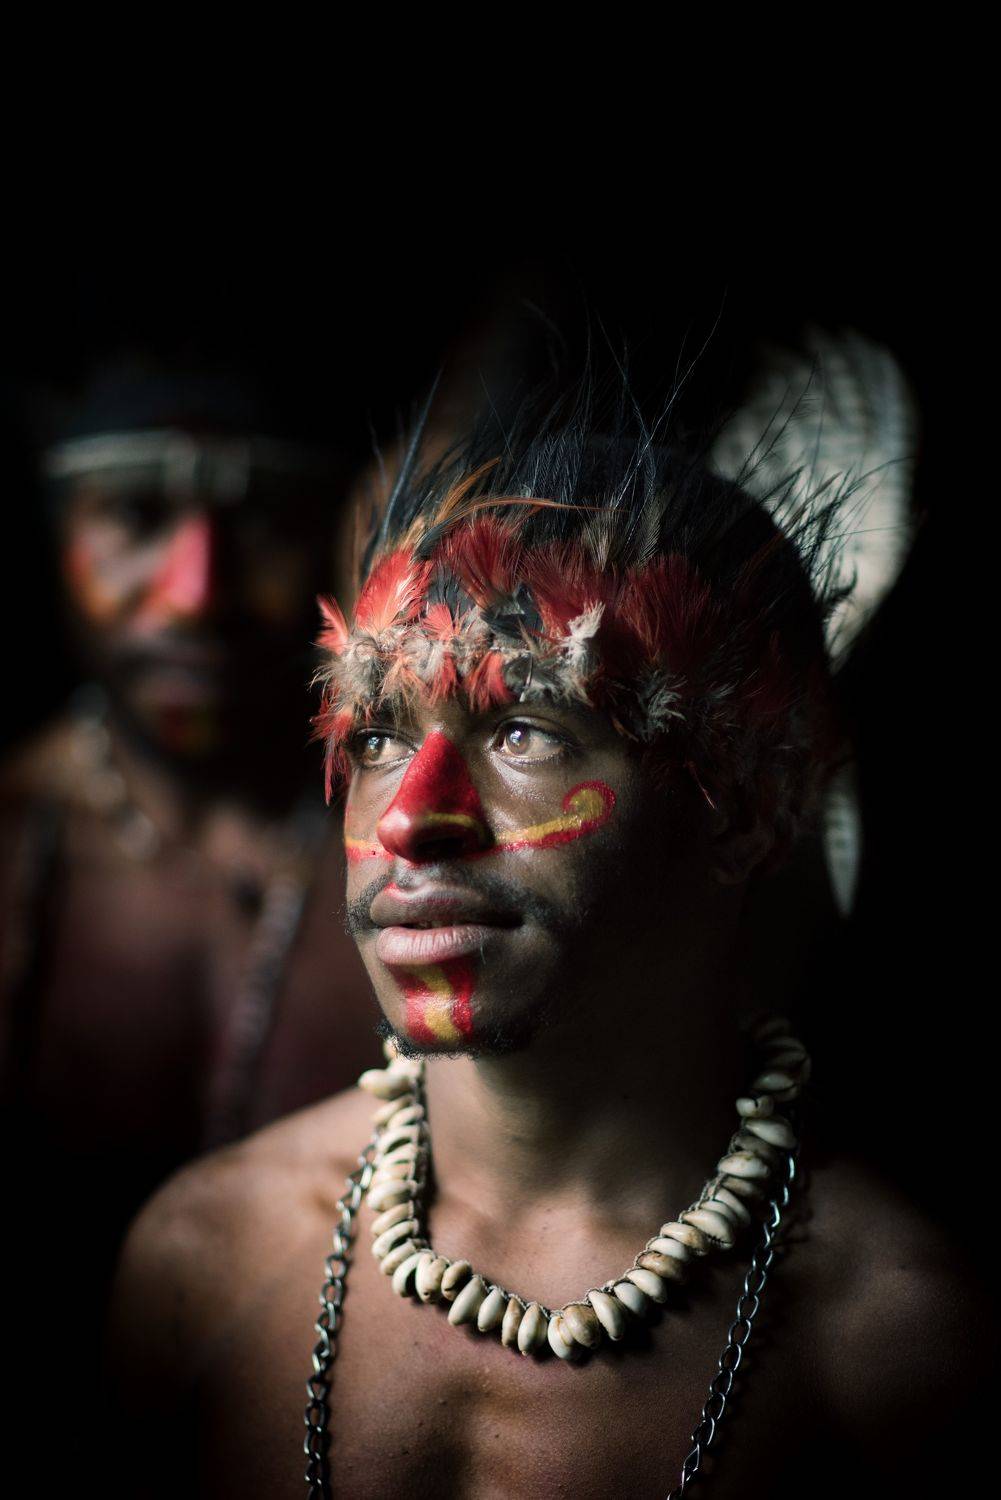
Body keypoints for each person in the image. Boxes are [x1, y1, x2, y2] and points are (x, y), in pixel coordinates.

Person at [110, 390, 978, 1499]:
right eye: (377, 734)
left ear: (747, 811)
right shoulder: (203, 1263)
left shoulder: (898, 1360)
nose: (407, 819)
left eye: (524, 728)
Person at [0, 355, 379, 1477]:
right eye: (134, 515)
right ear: (54, 528)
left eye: (259, 524)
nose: (195, 590)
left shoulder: (422, 865)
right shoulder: (13, 846)